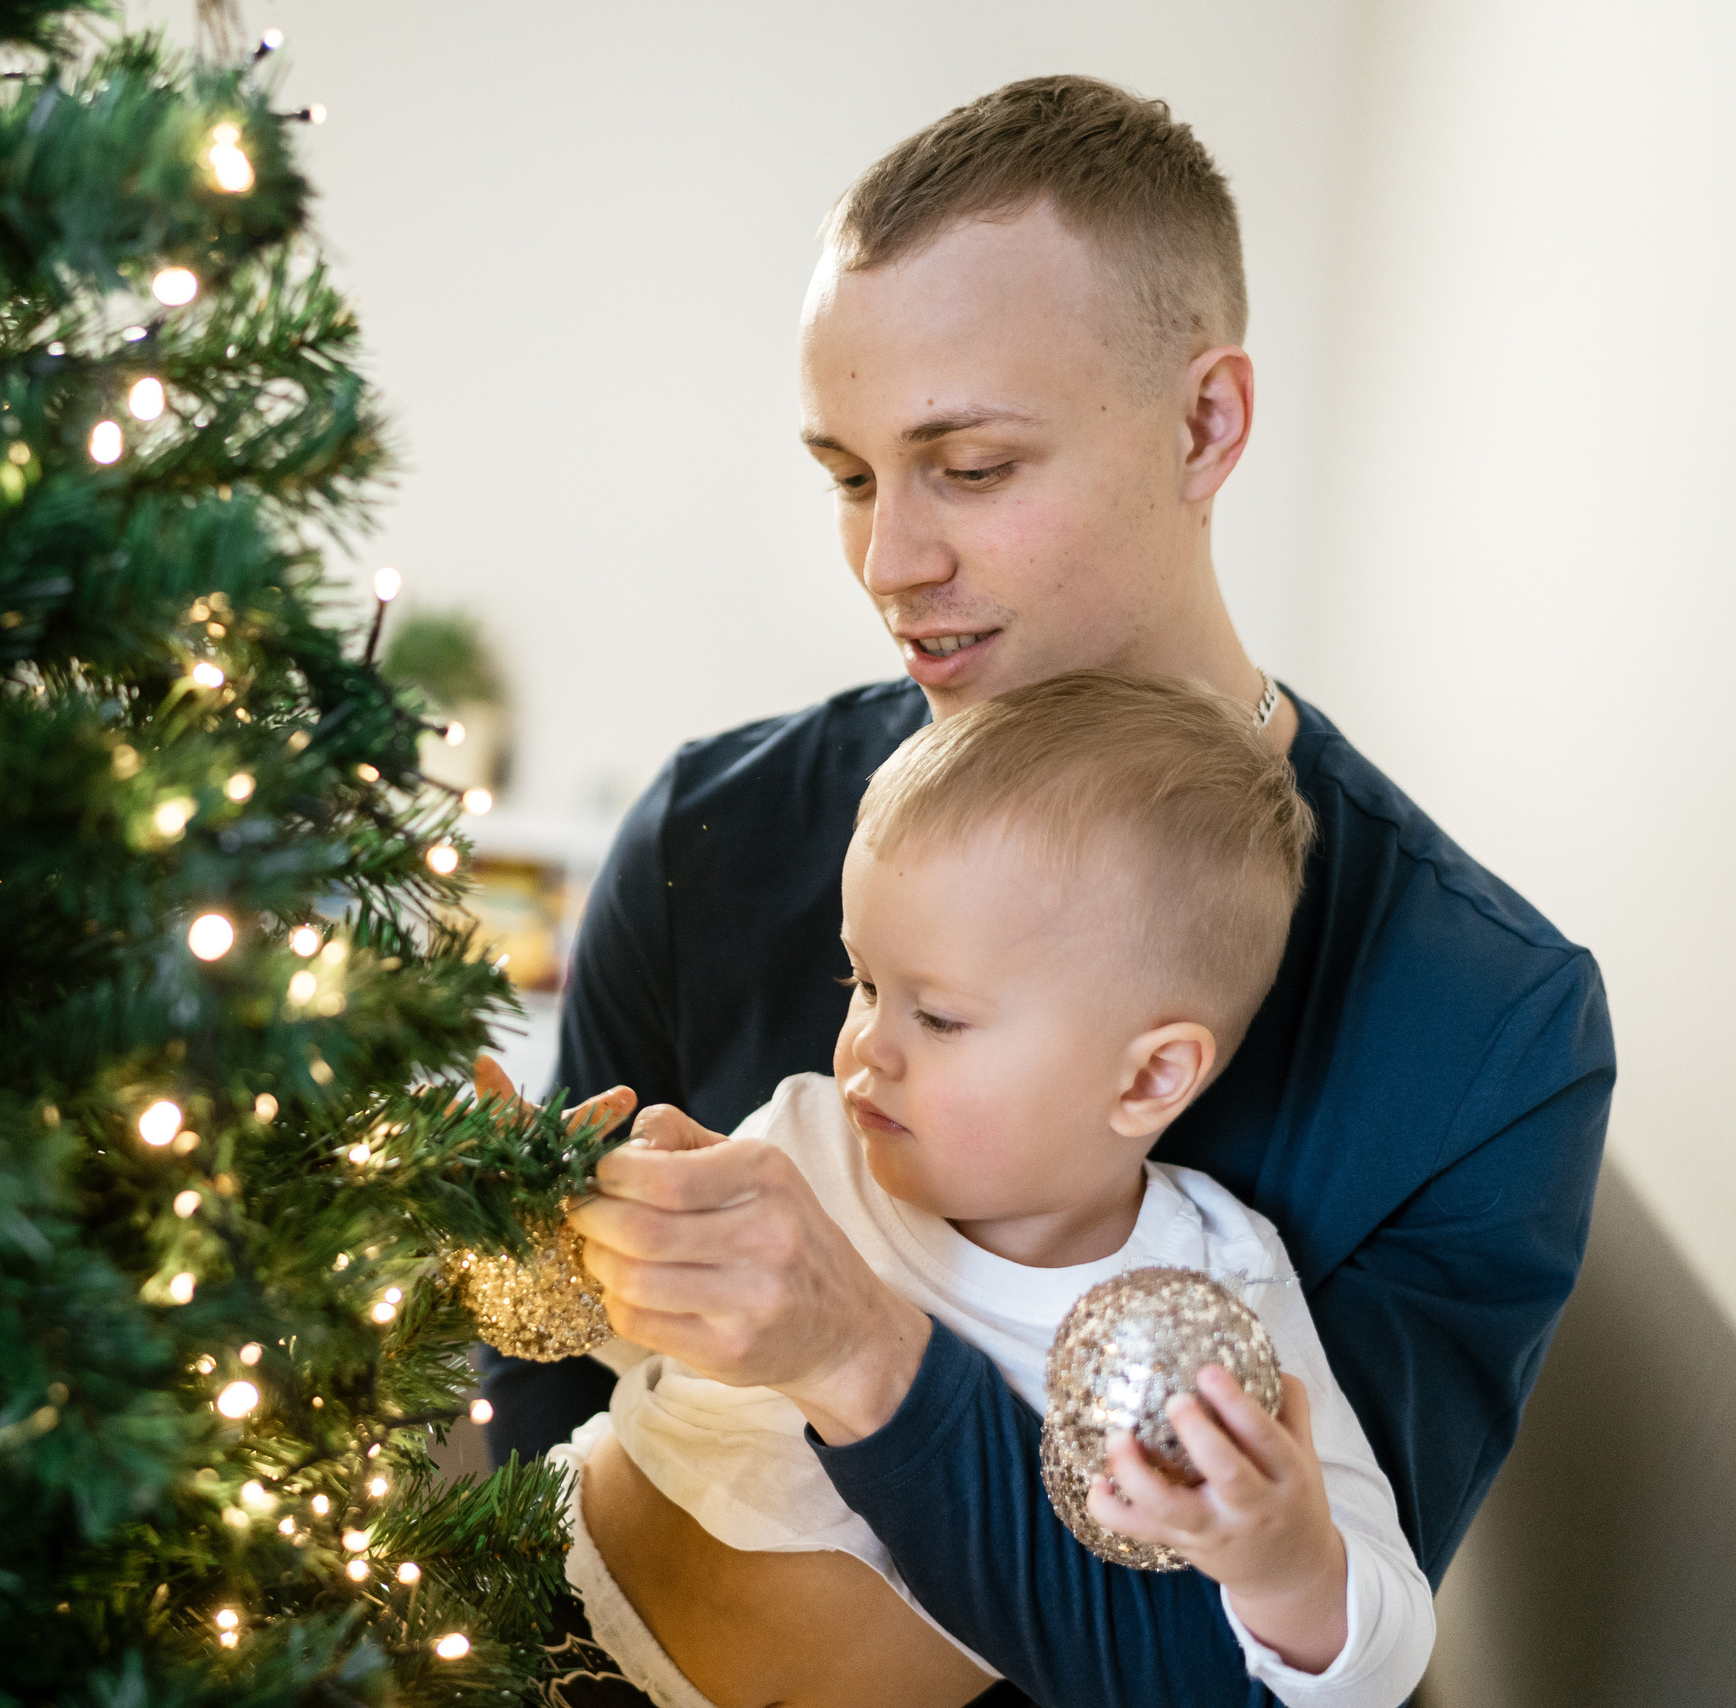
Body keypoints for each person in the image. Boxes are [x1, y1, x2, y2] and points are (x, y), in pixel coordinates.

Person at [478, 74, 1614, 1707]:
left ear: (1206, 424)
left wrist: (866, 1354)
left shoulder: (1485, 1033)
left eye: (972, 465)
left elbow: (1265, 1675)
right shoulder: (705, 832)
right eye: (853, 475)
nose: (888, 563)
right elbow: (525, 1441)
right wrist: (497, 1220)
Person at [557, 673, 1435, 1708]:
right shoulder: (808, 1138)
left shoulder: (1217, 1289)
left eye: (937, 1017)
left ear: (1150, 1075)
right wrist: (591, 1224)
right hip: (530, 1590)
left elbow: (1383, 1663)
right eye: (863, 983)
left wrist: (1286, 1565)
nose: (864, 1050)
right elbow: (649, 1355)